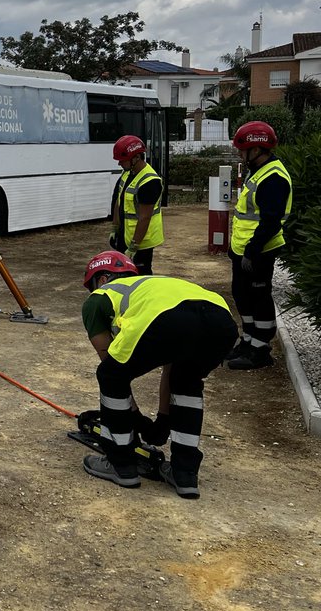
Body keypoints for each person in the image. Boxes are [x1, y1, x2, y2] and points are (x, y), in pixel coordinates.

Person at [80, 250, 236, 499]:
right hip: (221, 321)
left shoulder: (99, 297)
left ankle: (120, 464)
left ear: (101, 279)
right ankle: (184, 473)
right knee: (186, 382)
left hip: (168, 320)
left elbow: (114, 372)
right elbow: (171, 367)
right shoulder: (153, 288)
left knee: (110, 375)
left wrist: (136, 419)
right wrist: (162, 420)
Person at [227, 121, 293, 370]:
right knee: (241, 294)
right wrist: (236, 248)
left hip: (259, 251)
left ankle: (261, 349)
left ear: (256, 149)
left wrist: (252, 251)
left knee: (259, 297)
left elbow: (270, 221)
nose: (239, 153)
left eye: (242, 149)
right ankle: (248, 340)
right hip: (244, 249)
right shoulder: (258, 170)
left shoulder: (273, 178)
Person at [109, 135, 163, 275]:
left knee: (141, 276)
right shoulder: (127, 173)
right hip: (126, 236)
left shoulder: (150, 182)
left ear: (136, 158)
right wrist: (115, 227)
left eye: (122, 160)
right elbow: (119, 201)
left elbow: (145, 217)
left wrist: (134, 246)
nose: (119, 163)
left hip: (141, 242)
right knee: (123, 276)